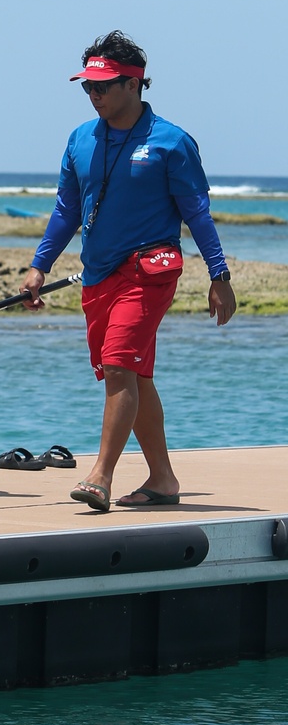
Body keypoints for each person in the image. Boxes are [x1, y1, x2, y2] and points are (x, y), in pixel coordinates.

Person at [22, 31, 236, 513]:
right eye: (87, 87)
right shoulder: (80, 140)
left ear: (134, 83)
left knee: (120, 364)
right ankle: (163, 479)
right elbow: (66, 209)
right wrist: (39, 266)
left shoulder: (172, 142)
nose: (94, 94)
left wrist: (218, 276)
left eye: (103, 85)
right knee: (133, 376)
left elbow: (197, 212)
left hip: (149, 271)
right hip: (98, 275)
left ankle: (99, 476)